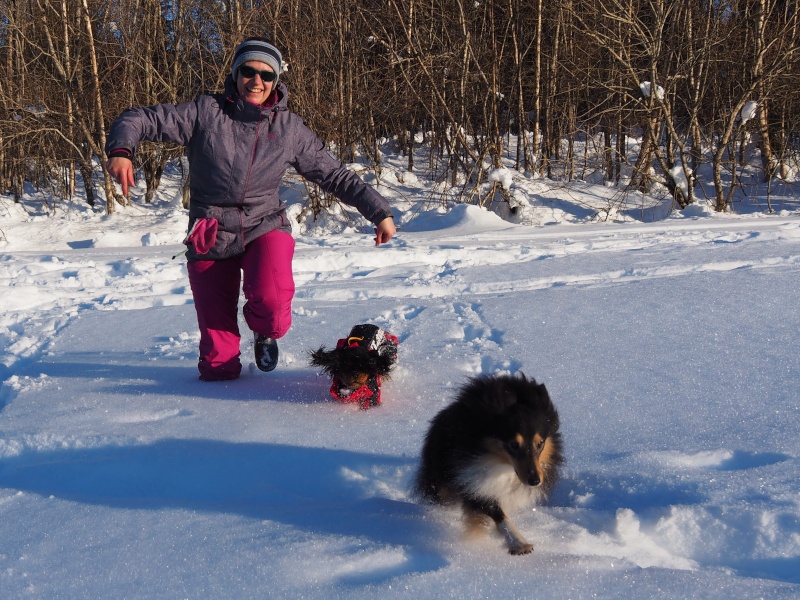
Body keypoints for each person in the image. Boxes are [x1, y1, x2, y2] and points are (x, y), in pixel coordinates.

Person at [106, 37, 396, 381]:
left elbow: (333, 174)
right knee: (218, 366)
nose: (256, 81)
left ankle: (263, 331)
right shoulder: (204, 113)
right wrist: (122, 149)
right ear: (235, 73)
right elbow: (140, 118)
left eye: (266, 74)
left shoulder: (288, 129)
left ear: (276, 80)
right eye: (248, 71)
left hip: (264, 225)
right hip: (210, 232)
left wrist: (379, 212)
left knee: (272, 307)